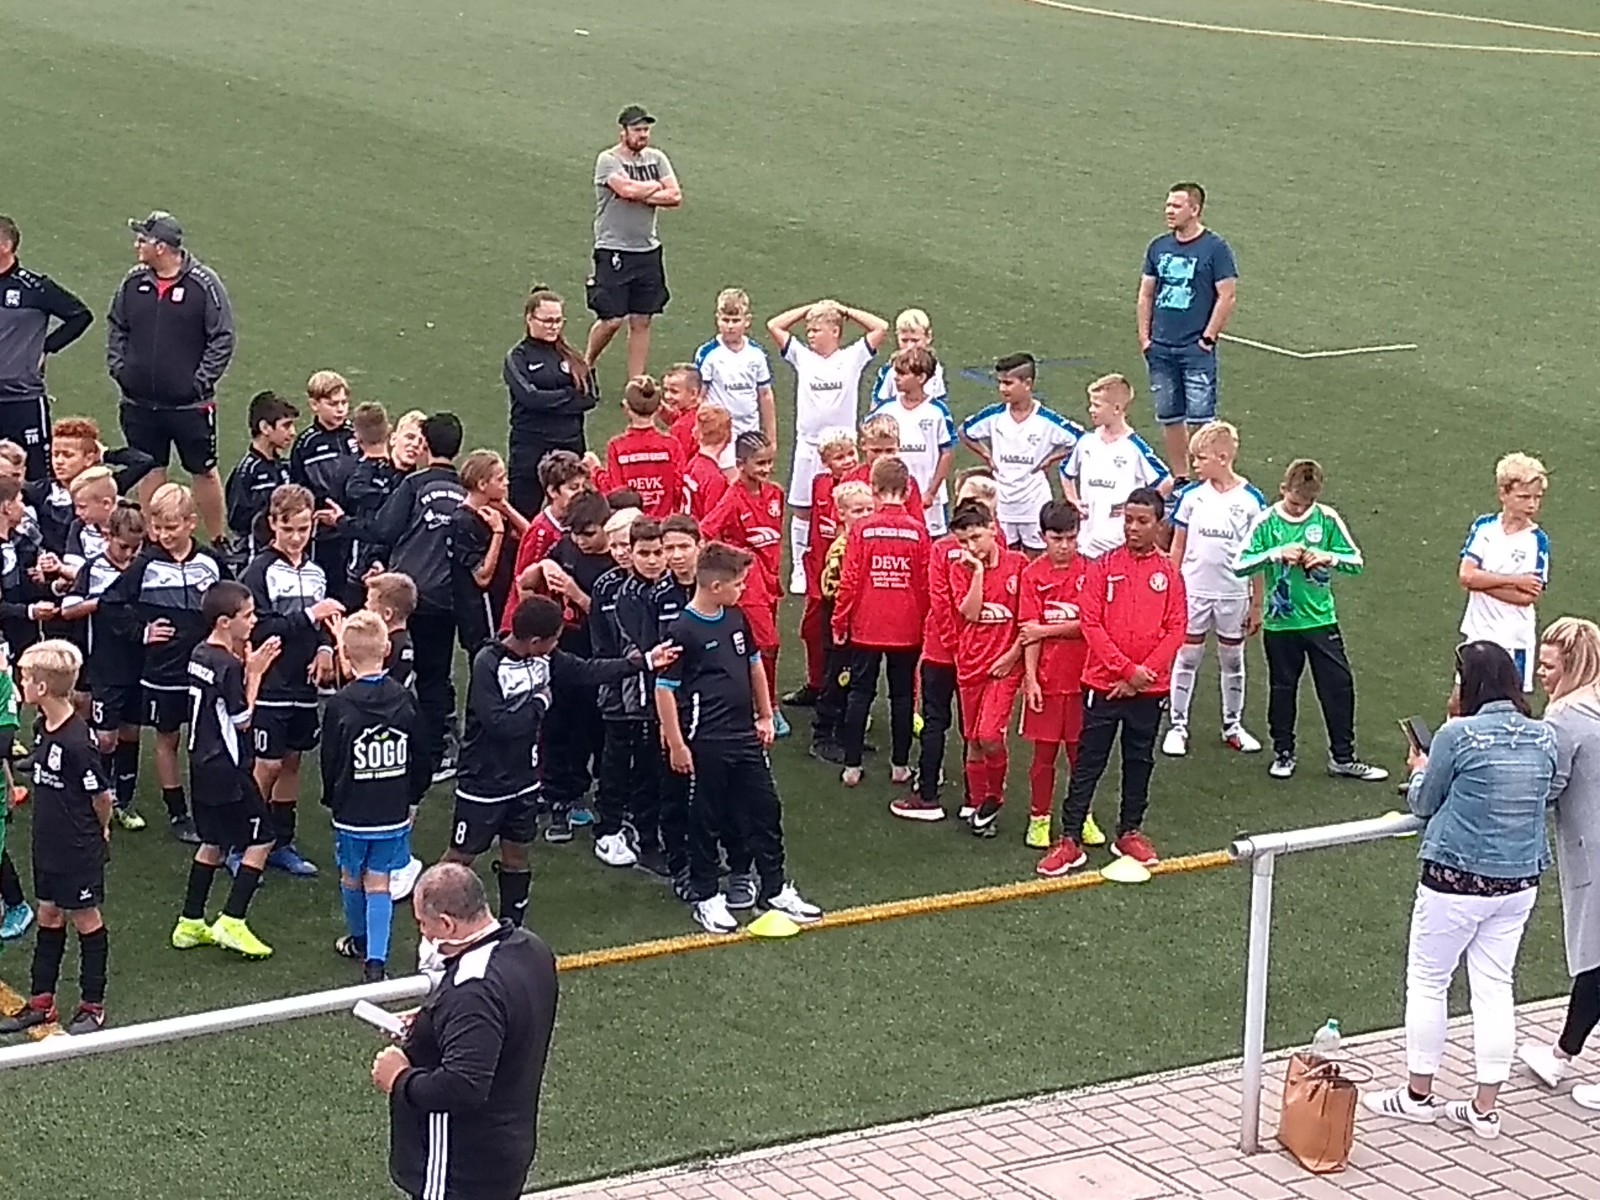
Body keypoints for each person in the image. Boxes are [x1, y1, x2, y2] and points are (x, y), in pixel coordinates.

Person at [1362, 641, 1555, 1139]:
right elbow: (1548, 792)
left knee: (1429, 981)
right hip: (1518, 881)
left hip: (1455, 879)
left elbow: (1424, 803)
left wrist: (1419, 770)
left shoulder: (1456, 735)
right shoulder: (1543, 736)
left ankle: (1418, 1095)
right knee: (1495, 988)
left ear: (1470, 683)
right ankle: (1485, 1109)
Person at [445, 597, 654, 923]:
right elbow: (500, 724)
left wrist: (642, 662)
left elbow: (586, 671)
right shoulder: (488, 663)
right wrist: (540, 703)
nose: (557, 645)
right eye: (555, 639)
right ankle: (434, 916)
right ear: (535, 641)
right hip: (483, 783)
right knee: (461, 857)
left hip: (524, 780)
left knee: (517, 852)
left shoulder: (546, 657)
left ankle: (512, 924)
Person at [656, 542, 822, 935]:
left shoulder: (735, 618)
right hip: (705, 741)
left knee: (765, 808)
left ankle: (775, 888)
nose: (743, 589)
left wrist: (764, 714)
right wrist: (677, 744)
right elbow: (664, 689)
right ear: (715, 586)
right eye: (738, 584)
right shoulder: (682, 630)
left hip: (744, 736)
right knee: (705, 819)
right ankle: (706, 895)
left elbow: (754, 666)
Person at [374, 862, 559, 1200]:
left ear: (447, 924)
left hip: (459, 1168)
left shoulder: (472, 990)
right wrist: (432, 1022)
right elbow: (503, 1021)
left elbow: (462, 1086)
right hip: (506, 1148)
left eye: (423, 923)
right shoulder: (531, 949)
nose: (423, 934)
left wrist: (398, 1079)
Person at [1039, 488, 1185, 876]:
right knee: (1088, 762)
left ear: (1159, 524)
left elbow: (1176, 628)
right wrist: (1125, 670)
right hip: (1103, 686)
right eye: (1128, 520)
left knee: (1139, 761)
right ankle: (1070, 838)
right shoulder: (1103, 566)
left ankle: (1129, 832)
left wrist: (1140, 676)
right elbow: (1091, 624)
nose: (1133, 528)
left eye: (1142, 521)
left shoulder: (1169, 573)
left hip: (1148, 690)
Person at [1232, 458, 1387, 782]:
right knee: (1283, 689)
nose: (1301, 509)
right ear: (1283, 489)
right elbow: (1240, 564)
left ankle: (1343, 757)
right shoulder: (1266, 522)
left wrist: (1329, 557)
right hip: (1281, 624)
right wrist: (1276, 553)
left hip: (1320, 621)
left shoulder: (1327, 518)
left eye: (1308, 504)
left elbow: (1356, 561)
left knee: (1338, 685)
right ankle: (1283, 752)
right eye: (1295, 503)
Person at [99, 482, 227, 843]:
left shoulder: (210, 562)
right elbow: (110, 603)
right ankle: (177, 812)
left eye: (171, 527)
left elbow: (232, 602)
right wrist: (142, 632)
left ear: (191, 523)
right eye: (157, 527)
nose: (164, 535)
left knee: (207, 741)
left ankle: (210, 809)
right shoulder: (146, 563)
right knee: (167, 737)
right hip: (162, 672)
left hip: (205, 670)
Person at [0, 641, 113, 1036]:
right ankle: (41, 1002)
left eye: (25, 679)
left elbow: (101, 797)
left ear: (43, 687)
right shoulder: (42, 728)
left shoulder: (77, 741)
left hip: (76, 847)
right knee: (48, 914)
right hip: (46, 844)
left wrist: (102, 830)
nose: (21, 685)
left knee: (86, 919)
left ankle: (92, 1005)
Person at [169, 581, 282, 959]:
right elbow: (243, 720)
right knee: (262, 838)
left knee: (213, 840)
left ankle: (190, 921)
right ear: (224, 622)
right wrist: (255, 674)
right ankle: (233, 920)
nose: (254, 621)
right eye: (247, 615)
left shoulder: (200, 653)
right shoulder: (228, 665)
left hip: (200, 763)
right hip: (228, 768)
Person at [107, 211, 235, 540]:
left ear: (161, 247)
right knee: (149, 468)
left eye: (143, 240)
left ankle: (218, 538)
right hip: (139, 401)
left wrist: (199, 382)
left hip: (189, 406)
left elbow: (222, 337)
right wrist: (120, 369)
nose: (137, 245)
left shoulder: (203, 284)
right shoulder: (133, 281)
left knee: (203, 470)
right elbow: (117, 325)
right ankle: (152, 538)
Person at [240, 484, 346, 876]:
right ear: (273, 524)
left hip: (304, 686)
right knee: (266, 765)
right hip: (271, 683)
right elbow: (258, 627)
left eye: (304, 529)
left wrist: (324, 648)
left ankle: (281, 842)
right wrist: (308, 616)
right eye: (289, 529)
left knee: (291, 763)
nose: (297, 537)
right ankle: (244, 840)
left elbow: (323, 625)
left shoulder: (316, 573)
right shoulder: (259, 571)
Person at [1519, 617, 1600, 1111]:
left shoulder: (1565, 721)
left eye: (1548, 666)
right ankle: (1560, 1055)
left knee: (1595, 959)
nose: (1540, 674)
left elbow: (1548, 788)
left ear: (1572, 666)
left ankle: (1561, 1055)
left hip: (1594, 852)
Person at [365, 414, 466, 786]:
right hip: (446, 600)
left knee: (392, 667)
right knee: (435, 677)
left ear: (425, 444)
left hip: (405, 597)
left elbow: (384, 529)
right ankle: (436, 754)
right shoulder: (465, 489)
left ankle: (385, 742)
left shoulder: (413, 484)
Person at [321, 611, 422, 983]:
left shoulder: (339, 704)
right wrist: (413, 797)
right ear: (387, 650)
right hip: (392, 809)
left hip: (352, 810)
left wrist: (333, 797)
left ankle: (359, 940)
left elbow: (330, 759)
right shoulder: (405, 698)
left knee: (352, 876)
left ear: (345, 655)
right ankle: (376, 963)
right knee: (379, 882)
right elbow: (420, 754)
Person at [766, 298, 888, 593]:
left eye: (816, 329)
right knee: (803, 508)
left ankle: (851, 559)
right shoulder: (802, 357)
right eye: (808, 330)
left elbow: (881, 327)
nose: (810, 335)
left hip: (843, 448)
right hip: (809, 446)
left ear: (834, 331)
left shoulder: (852, 356)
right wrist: (808, 308)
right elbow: (774, 325)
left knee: (848, 505)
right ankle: (800, 567)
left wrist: (845, 310)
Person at [896, 473, 998, 823]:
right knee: (969, 727)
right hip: (973, 655)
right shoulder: (997, 552)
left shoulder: (942, 549)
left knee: (940, 722)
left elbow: (940, 604)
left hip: (947, 652)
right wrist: (966, 649)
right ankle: (973, 797)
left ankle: (929, 795)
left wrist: (956, 648)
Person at [1164, 421, 1267, 756]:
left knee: (1232, 659)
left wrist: (1256, 603)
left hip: (1232, 594)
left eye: (1201, 458)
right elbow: (1178, 546)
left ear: (1223, 458)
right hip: (1193, 592)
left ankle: (1232, 726)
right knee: (1187, 655)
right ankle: (1178, 726)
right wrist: (1171, 589)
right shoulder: (1191, 498)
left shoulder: (1251, 501)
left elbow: (1258, 555)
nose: (1195, 464)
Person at [832, 456, 929, 788]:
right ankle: (900, 766)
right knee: (902, 696)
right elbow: (924, 584)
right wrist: (924, 623)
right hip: (907, 628)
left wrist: (840, 620)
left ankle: (852, 766)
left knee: (860, 693)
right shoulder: (918, 531)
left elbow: (850, 580)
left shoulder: (862, 529)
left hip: (866, 625)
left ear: (873, 489)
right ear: (909, 490)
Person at [1137, 182, 1238, 479]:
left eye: (1176, 206)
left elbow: (1227, 295)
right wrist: (1145, 338)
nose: (1169, 211)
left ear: (1194, 209)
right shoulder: (1158, 247)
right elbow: (1146, 293)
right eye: (1168, 205)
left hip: (1195, 348)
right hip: (1160, 346)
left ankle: (1207, 476)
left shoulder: (1215, 249)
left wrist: (1208, 338)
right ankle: (1181, 477)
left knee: (1201, 418)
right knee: (1169, 416)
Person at [591, 517, 672, 874]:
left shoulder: (671, 587)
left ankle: (651, 831)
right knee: (620, 762)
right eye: (642, 552)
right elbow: (615, 646)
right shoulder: (617, 592)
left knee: (653, 767)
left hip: (658, 695)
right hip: (624, 693)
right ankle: (612, 830)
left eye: (658, 552)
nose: (652, 560)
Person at [59, 504, 147, 830]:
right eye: (123, 546)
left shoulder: (144, 567)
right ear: (108, 536)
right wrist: (104, 602)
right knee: (106, 738)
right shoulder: (94, 568)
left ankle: (124, 801)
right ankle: (97, 793)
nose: (129, 554)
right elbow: (67, 609)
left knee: (130, 733)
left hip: (138, 663)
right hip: (104, 666)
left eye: (135, 547)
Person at [946, 500, 1026, 835]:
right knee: (973, 740)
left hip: (1004, 667)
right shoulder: (960, 570)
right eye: (963, 541)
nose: (971, 547)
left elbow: (1026, 620)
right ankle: (980, 808)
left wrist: (1011, 657)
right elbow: (970, 612)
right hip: (971, 663)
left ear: (994, 529)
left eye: (976, 537)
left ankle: (994, 797)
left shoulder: (1018, 565)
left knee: (989, 734)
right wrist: (977, 573)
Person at [585, 105, 681, 379]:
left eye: (646, 130)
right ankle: (586, 364)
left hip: (647, 250)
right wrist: (655, 187)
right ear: (623, 131)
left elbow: (675, 196)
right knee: (612, 318)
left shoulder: (657, 158)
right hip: (614, 248)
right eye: (637, 129)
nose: (643, 135)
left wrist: (641, 192)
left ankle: (636, 382)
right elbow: (625, 190)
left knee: (642, 318)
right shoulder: (608, 160)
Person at [701, 431, 787, 734]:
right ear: (740, 464)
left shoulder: (775, 494)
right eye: (760, 463)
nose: (766, 469)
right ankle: (768, 706)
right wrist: (730, 566)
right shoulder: (732, 498)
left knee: (759, 645)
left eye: (769, 462)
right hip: (748, 583)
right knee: (767, 643)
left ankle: (754, 701)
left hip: (770, 580)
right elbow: (705, 532)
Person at [1018, 501, 1090, 849]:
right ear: (1042, 536)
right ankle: (1039, 818)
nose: (1064, 546)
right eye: (1057, 538)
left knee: (1081, 756)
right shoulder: (1032, 575)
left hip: (1083, 681)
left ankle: (1081, 816)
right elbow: (1027, 632)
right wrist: (1030, 678)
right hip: (1046, 683)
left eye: (1071, 538)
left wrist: (1045, 630)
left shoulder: (1091, 572)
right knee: (1043, 757)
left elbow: (1089, 626)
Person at [0, 216, 94, 480]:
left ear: (5, 246)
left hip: (22, 398)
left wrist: (47, 347)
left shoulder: (35, 287)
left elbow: (80, 316)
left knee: (35, 474)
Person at [958, 354, 1081, 552]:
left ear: (1027, 384)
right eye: (1000, 383)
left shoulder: (1046, 420)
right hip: (1003, 504)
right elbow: (964, 431)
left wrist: (1052, 459)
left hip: (1034, 504)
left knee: (1036, 557)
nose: (1002, 389)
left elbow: (1080, 440)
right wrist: (986, 454)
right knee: (1006, 556)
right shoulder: (994, 416)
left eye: (1008, 383)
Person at [1458, 453, 1549, 695]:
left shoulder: (1537, 541)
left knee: (1512, 702)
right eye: (1524, 497)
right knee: (1459, 702)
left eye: (1537, 498)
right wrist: (1514, 581)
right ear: (1503, 494)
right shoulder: (1484, 527)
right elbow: (1466, 576)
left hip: (1513, 639)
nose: (1532, 505)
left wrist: (1481, 581)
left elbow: (1527, 597)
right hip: (1477, 633)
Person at [506, 288, 597, 516]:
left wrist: (550, 399)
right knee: (523, 514)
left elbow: (590, 397)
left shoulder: (571, 356)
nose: (554, 326)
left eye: (558, 321)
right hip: (530, 450)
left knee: (574, 513)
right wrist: (569, 395)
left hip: (570, 447)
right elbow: (530, 397)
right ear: (530, 319)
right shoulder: (518, 358)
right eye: (547, 321)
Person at [1059, 373, 1171, 559]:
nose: (1091, 410)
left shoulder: (1134, 447)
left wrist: (1137, 508)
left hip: (1117, 541)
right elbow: (1066, 472)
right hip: (1085, 538)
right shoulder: (1086, 442)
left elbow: (1166, 482)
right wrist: (1073, 499)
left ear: (1117, 408)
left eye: (1097, 405)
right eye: (1091, 404)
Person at [793, 429, 860, 708]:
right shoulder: (819, 484)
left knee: (845, 641)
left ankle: (845, 697)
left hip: (848, 578)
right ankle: (816, 684)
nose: (848, 461)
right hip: (820, 574)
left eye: (851, 454)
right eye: (839, 457)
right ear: (825, 462)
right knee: (811, 630)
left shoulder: (861, 489)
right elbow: (814, 530)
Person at [810, 480, 875, 764]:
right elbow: (830, 589)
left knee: (857, 677)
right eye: (858, 511)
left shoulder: (870, 542)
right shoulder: (841, 548)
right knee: (837, 676)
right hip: (838, 619)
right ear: (842, 514)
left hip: (861, 620)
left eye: (869, 509)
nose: (865, 515)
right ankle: (823, 736)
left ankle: (847, 731)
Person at [868, 347, 956, 536]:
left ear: (921, 377)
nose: (896, 378)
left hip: (926, 497)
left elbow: (946, 453)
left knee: (930, 540)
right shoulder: (886, 409)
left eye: (902, 373)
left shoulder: (937, 411)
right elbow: (869, 443)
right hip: (890, 496)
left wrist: (931, 492)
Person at [289, 370, 358, 605]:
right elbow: (299, 490)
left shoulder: (355, 435)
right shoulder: (306, 444)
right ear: (314, 405)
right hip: (324, 536)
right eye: (333, 404)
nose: (341, 409)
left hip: (355, 527)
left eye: (344, 403)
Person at [451, 450, 526, 655]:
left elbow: (532, 537)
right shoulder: (463, 522)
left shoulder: (497, 511)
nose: (507, 483)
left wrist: (507, 510)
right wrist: (498, 532)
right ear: (482, 484)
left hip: (504, 603)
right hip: (483, 613)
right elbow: (482, 577)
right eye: (500, 479)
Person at [505, 450, 592, 604]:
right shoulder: (541, 532)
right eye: (573, 488)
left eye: (583, 487)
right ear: (552, 491)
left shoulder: (578, 522)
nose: (581, 493)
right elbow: (522, 584)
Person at [695, 288, 776, 449]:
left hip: (750, 431)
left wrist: (771, 438)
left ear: (747, 321)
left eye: (736, 320)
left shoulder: (757, 354)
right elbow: (699, 397)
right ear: (717, 319)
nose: (730, 326)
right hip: (719, 432)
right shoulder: (707, 353)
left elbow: (765, 395)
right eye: (725, 320)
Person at [595, 375, 686, 518]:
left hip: (630, 524)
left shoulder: (617, 446)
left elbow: (615, 491)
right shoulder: (671, 445)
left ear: (626, 407)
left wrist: (595, 471)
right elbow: (679, 487)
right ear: (659, 408)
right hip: (664, 524)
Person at [225, 390, 297, 563]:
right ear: (265, 428)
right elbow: (237, 521)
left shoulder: (285, 467)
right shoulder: (247, 472)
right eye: (286, 426)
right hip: (255, 559)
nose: (293, 432)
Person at [343, 402, 404, 593]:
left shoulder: (353, 472)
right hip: (391, 562)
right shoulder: (400, 477)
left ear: (357, 436)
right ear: (389, 431)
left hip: (358, 566)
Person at [869, 308, 949, 405]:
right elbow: (876, 406)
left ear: (928, 337)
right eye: (904, 340)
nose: (909, 347)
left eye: (915, 340)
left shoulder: (936, 370)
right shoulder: (890, 370)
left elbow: (940, 404)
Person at [684, 404, 733, 521]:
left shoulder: (692, 463)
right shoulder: (715, 478)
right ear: (728, 437)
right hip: (698, 530)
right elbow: (712, 522)